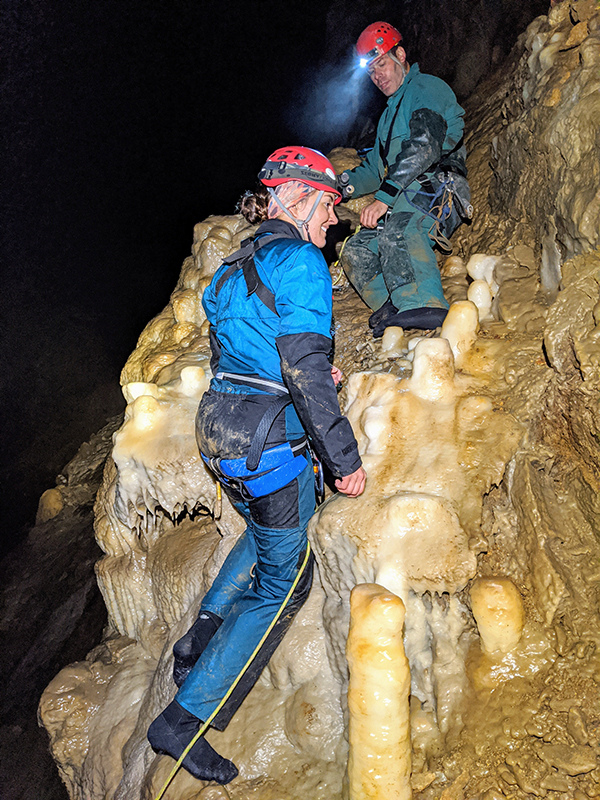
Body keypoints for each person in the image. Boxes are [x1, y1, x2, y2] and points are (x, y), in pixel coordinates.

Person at [148, 146, 366, 784]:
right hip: (266, 444)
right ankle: (182, 723)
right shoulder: (300, 261)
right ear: (297, 198)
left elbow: (247, 354)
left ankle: (198, 638)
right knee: (286, 581)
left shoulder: (231, 268)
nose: (333, 218)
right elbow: (301, 370)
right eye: (327, 204)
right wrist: (343, 461)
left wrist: (305, 371)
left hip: (220, 433)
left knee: (263, 530)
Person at [339, 22, 472, 337]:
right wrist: (339, 186)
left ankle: (424, 304)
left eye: (381, 64)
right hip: (406, 196)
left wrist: (383, 199)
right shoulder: (387, 116)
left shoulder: (426, 88)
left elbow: (425, 145)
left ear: (400, 54)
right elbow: (374, 169)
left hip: (439, 187)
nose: (377, 76)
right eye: (371, 72)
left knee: (399, 228)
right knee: (356, 250)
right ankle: (394, 302)